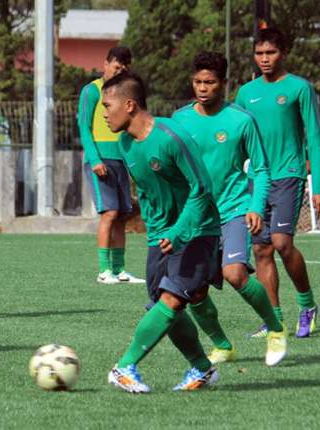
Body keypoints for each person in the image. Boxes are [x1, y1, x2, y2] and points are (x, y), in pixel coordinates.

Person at [102, 72, 226, 393]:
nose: (104, 113)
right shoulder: (125, 143)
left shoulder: (173, 138)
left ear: (129, 105)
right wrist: (157, 234)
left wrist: (181, 230)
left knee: (171, 299)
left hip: (198, 230)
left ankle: (124, 366)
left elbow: (202, 189)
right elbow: (149, 194)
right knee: (162, 302)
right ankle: (202, 369)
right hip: (162, 236)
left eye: (107, 105)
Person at [172, 51, 287, 366]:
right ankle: (223, 345)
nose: (203, 88)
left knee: (235, 274)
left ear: (222, 84)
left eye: (209, 82)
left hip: (234, 210)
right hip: (196, 217)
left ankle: (276, 329)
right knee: (193, 291)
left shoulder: (241, 120)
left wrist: (255, 206)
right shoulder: (179, 120)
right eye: (197, 82)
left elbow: (261, 169)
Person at [235, 28, 320, 338]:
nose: (264, 59)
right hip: (257, 180)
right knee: (261, 251)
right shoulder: (246, 93)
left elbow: (314, 138)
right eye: (259, 53)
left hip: (289, 174)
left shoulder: (300, 88)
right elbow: (236, 141)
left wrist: (318, 186)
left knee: (281, 243)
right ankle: (274, 320)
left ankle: (307, 305)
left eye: (270, 53)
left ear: (283, 52)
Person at [77, 46, 144, 285]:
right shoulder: (92, 91)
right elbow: (84, 126)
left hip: (121, 159)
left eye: (124, 68)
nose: (119, 71)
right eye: (116, 67)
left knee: (122, 214)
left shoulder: (124, 94)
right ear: (105, 64)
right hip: (100, 159)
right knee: (109, 212)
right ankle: (104, 271)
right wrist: (95, 159)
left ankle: (120, 269)